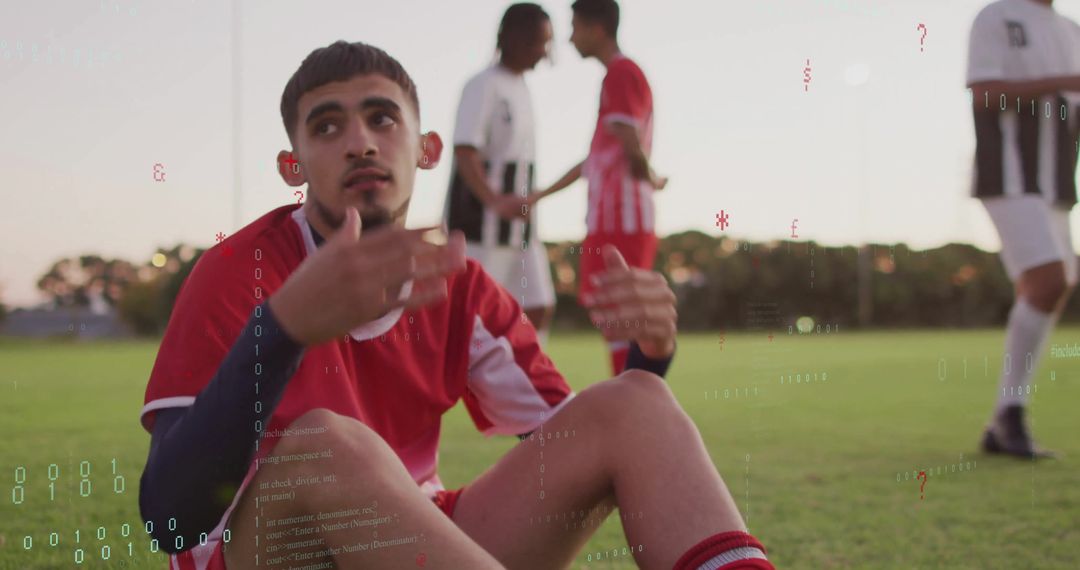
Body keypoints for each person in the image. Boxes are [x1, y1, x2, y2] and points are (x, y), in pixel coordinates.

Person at [137, 40, 773, 570]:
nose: (359, 142)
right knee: (324, 447)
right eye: (326, 126)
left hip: (417, 545)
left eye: (382, 119)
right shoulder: (237, 271)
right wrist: (280, 329)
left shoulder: (458, 284)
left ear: (428, 149)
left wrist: (648, 354)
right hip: (267, 553)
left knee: (632, 403)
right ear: (292, 165)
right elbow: (171, 519)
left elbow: (572, 442)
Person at [966, 0, 1080, 458]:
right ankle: (1009, 413)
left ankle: (1003, 420)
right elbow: (983, 93)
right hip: (1010, 175)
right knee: (1049, 277)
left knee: (1054, 284)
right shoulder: (996, 16)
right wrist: (1061, 82)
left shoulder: (1071, 28)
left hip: (1054, 181)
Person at [529, 0, 668, 375]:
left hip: (624, 217)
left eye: (575, 26)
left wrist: (650, 176)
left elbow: (628, 136)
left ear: (598, 28)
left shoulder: (622, 73)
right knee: (610, 309)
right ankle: (632, 389)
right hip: (608, 217)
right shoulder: (614, 76)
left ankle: (638, 393)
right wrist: (536, 196)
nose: (571, 36)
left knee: (621, 310)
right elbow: (592, 160)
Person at [445, 3, 557, 346]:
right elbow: (465, 150)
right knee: (471, 317)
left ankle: (524, 382)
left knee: (538, 305)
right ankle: (474, 387)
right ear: (514, 39)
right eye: (539, 42)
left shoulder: (521, 87)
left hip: (520, 225)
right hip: (481, 224)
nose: (544, 51)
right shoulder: (482, 85)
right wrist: (494, 201)